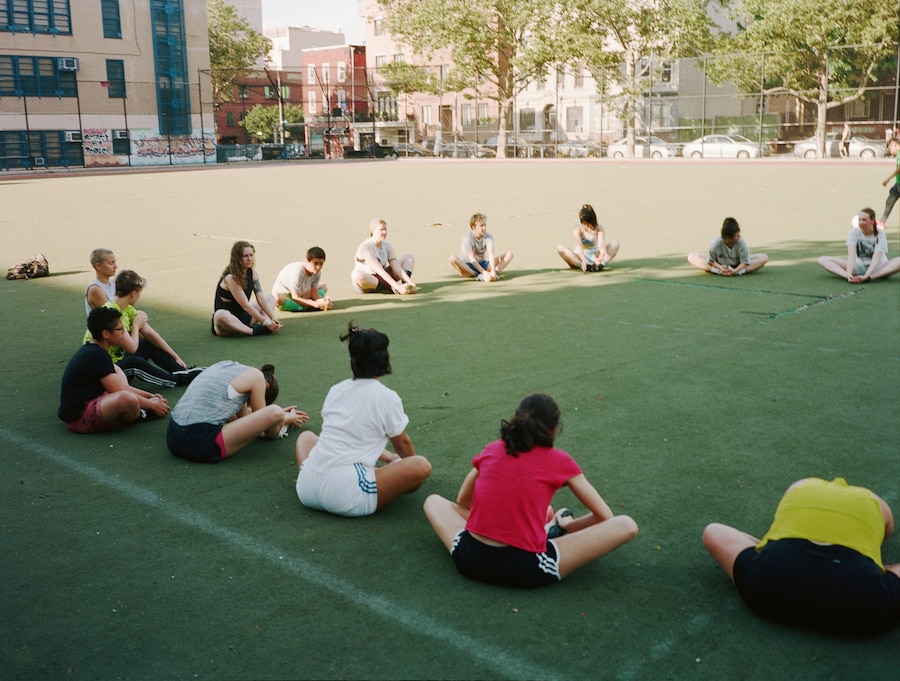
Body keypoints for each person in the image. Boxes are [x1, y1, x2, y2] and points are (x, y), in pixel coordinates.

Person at [423, 393, 638, 588]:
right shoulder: (560, 461)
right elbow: (604, 516)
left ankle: (543, 528)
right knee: (626, 525)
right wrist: (570, 525)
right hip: (524, 568)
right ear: (554, 429)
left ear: (516, 420)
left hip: (470, 558)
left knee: (433, 500)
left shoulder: (492, 448)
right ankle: (549, 530)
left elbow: (463, 500)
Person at [702, 477, 900, 637]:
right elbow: (887, 530)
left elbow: (715, 532)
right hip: (860, 600)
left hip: (772, 582)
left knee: (712, 531)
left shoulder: (800, 488)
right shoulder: (872, 502)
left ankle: (773, 549)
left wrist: (771, 549)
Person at [295, 323, 432, 517]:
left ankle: (320, 476)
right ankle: (377, 474)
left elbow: (350, 434)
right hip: (346, 495)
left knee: (306, 437)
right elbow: (402, 443)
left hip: (306, 488)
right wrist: (404, 467)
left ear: (352, 363)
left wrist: (389, 458)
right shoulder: (387, 397)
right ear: (385, 362)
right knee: (421, 465)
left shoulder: (336, 390)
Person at [167, 360, 308, 463]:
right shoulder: (257, 377)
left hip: (173, 438)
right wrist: (286, 418)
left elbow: (241, 420)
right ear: (266, 386)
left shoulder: (228, 368)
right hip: (201, 444)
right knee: (275, 411)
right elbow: (266, 430)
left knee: (274, 413)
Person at [58, 306, 170, 433]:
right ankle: (142, 414)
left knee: (116, 369)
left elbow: (120, 386)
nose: (124, 332)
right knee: (127, 399)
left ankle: (141, 407)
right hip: (80, 418)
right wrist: (153, 405)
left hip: (93, 399)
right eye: (120, 329)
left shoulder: (95, 350)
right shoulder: (97, 354)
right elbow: (120, 391)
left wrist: (150, 396)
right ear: (105, 334)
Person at [83, 270, 202, 387]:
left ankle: (182, 371)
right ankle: (176, 379)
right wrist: (135, 326)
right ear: (134, 293)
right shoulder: (112, 314)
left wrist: (175, 356)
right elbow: (132, 349)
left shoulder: (127, 309)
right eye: (139, 293)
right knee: (133, 362)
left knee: (147, 343)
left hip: (117, 361)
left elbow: (151, 335)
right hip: (105, 371)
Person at [212, 240, 283, 336]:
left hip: (244, 318)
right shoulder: (231, 278)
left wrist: (272, 318)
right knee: (219, 315)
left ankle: (270, 326)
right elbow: (245, 305)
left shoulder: (252, 273)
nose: (249, 259)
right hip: (227, 323)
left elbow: (260, 298)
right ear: (237, 258)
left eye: (251, 255)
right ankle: (254, 331)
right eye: (245, 256)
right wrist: (266, 321)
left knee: (270, 298)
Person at [817, 208, 900, 282]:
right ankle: (846, 276)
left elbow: (876, 259)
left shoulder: (880, 234)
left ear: (872, 221)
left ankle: (871, 277)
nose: (861, 222)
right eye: (859, 220)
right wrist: (848, 274)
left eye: (864, 220)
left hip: (878, 268)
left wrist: (866, 276)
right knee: (822, 259)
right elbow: (851, 256)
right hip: (858, 267)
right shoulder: (853, 233)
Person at [351, 219, 417, 294]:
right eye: (381, 230)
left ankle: (405, 285)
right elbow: (380, 271)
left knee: (409, 257)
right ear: (373, 231)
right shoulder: (365, 247)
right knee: (356, 275)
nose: (384, 232)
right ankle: (392, 288)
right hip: (368, 281)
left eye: (385, 229)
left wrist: (410, 282)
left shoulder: (387, 245)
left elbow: (396, 267)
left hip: (383, 278)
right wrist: (397, 287)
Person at [687, 217, 768, 275]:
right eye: (736, 235)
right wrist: (720, 268)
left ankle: (739, 272)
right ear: (727, 237)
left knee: (763, 257)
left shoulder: (741, 242)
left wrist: (735, 270)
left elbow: (745, 262)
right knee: (692, 257)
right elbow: (711, 261)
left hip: (738, 265)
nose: (739, 237)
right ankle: (717, 271)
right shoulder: (716, 243)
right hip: (720, 265)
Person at [449, 212, 514, 281]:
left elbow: (491, 255)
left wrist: (493, 270)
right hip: (468, 266)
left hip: (483, 264)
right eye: (481, 226)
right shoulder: (467, 238)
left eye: (485, 225)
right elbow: (472, 259)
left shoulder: (488, 237)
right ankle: (476, 275)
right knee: (452, 258)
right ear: (473, 227)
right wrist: (483, 272)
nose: (484, 228)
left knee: (509, 254)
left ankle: (494, 273)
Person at [557, 204, 620, 272]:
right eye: (585, 224)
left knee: (615, 243)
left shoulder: (599, 228)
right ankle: (583, 266)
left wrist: (602, 255)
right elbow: (579, 247)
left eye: (590, 224)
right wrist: (583, 260)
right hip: (580, 257)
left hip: (595, 256)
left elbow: (601, 245)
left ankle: (601, 265)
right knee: (560, 248)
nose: (588, 226)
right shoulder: (577, 229)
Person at [272, 247, 332, 311]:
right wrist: (316, 304)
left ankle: (303, 305)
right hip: (288, 297)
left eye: (321, 263)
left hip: (302, 294)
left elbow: (314, 294)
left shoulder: (317, 273)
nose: (318, 267)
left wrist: (324, 302)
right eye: (315, 263)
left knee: (323, 286)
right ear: (307, 261)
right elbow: (295, 297)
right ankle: (304, 306)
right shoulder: (297, 273)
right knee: (276, 298)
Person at [85, 248, 117, 314]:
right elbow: (111, 316)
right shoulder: (95, 289)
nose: (115, 266)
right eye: (111, 263)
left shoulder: (113, 283)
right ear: (98, 266)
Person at [879, 138, 900, 226]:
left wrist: (888, 178)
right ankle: (882, 221)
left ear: (895, 145)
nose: (891, 151)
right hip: (898, 183)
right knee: (890, 200)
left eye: (890, 148)